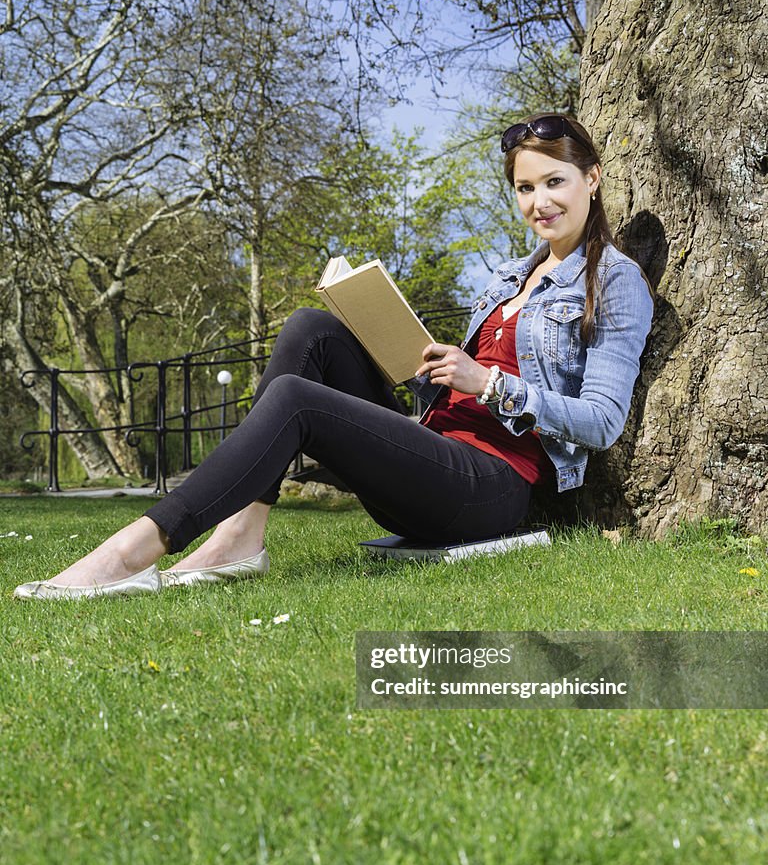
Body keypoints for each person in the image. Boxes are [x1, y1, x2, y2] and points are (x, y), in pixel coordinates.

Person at [14, 112, 655, 600]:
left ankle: (133, 551)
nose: (539, 202)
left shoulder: (615, 281)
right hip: (435, 448)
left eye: (554, 182)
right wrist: (407, 348)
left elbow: (601, 421)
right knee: (311, 329)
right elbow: (451, 390)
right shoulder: (513, 276)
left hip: (490, 487)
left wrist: (487, 382)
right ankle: (241, 536)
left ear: (591, 180)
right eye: (524, 187)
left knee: (295, 400)